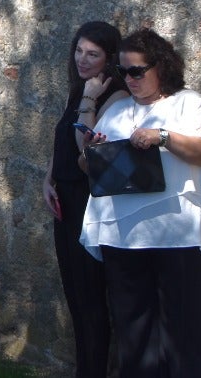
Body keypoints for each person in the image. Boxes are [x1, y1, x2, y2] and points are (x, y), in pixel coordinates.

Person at [79, 29, 201, 378]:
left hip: (180, 237)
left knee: (184, 339)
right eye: (123, 71)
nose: (129, 80)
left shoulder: (190, 104)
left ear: (161, 67)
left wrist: (163, 137)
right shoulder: (116, 112)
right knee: (135, 339)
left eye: (137, 71)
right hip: (124, 237)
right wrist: (93, 151)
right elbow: (89, 169)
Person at [41, 21, 124, 378]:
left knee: (91, 298)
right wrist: (48, 179)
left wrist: (91, 96)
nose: (83, 59)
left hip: (90, 203)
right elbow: (61, 138)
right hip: (64, 200)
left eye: (93, 54)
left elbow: (85, 149)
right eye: (79, 50)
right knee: (74, 295)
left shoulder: (115, 95)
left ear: (110, 58)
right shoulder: (77, 89)